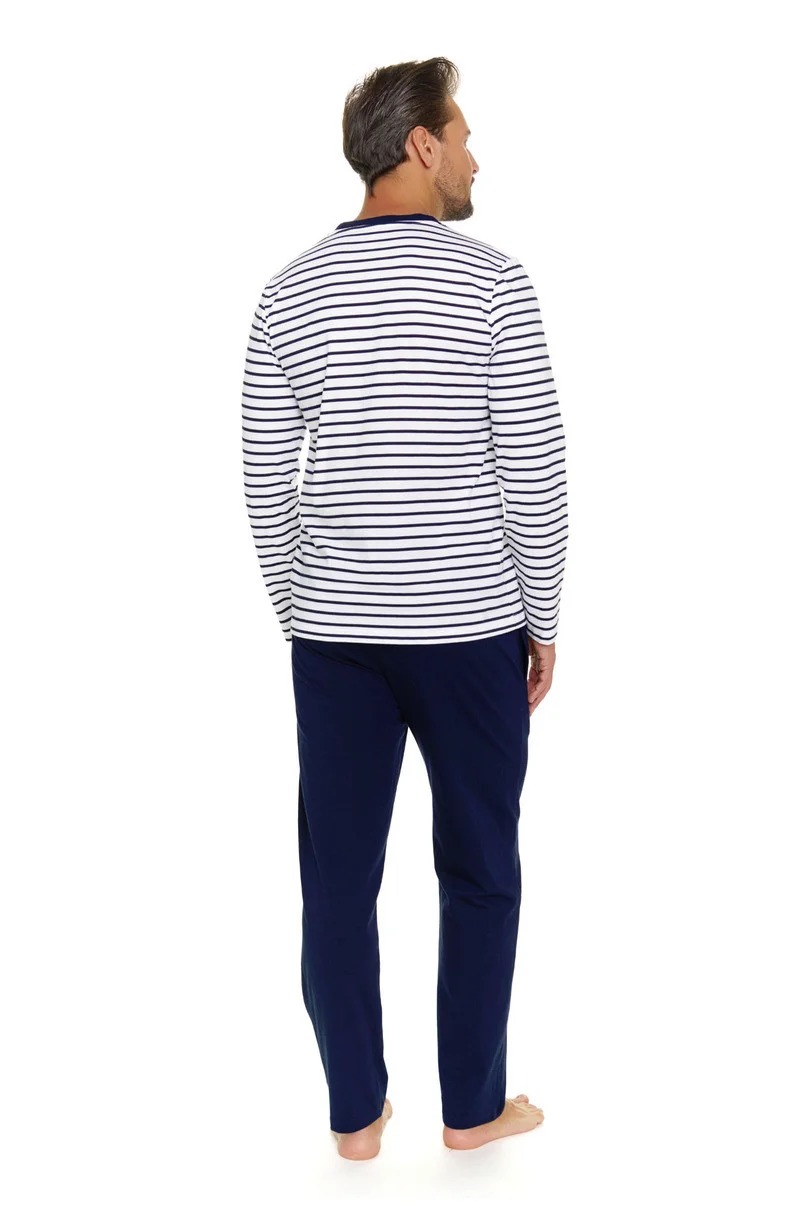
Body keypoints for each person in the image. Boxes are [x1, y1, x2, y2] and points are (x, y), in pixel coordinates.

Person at [241, 56, 568, 1160]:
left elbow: (264, 477)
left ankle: (355, 1118)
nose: (475, 156)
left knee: (337, 879)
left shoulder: (288, 292)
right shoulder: (494, 284)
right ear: (420, 146)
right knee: (479, 869)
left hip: (336, 639)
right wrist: (544, 617)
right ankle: (471, 1109)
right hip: (472, 631)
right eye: (462, 136)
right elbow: (534, 470)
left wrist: (305, 608)